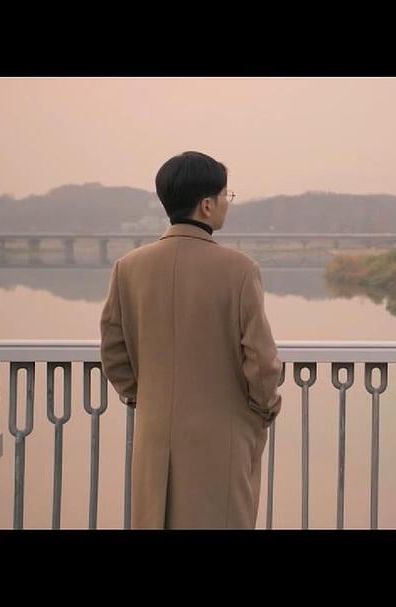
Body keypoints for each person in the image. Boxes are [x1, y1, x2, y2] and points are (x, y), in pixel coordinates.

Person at [100, 150, 282, 529]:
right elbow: (261, 360)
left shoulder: (128, 268)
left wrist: (142, 398)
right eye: (225, 195)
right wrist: (263, 409)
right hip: (223, 436)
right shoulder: (239, 269)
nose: (226, 203)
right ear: (206, 205)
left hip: (154, 432)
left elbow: (114, 353)